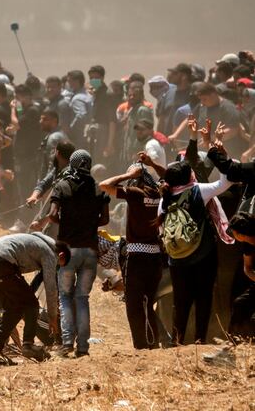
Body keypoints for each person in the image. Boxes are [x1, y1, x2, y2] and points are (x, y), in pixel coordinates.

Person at [157, 160, 234, 344]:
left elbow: (161, 232)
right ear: (188, 176)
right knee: (203, 298)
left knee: (181, 301)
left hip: (177, 261)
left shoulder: (164, 200)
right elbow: (225, 182)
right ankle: (199, 339)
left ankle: (177, 340)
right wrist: (221, 158)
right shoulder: (198, 190)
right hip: (203, 256)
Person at [99, 154, 166, 349]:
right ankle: (153, 343)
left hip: (136, 256)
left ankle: (141, 345)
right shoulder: (159, 193)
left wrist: (125, 175)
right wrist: (152, 164)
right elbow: (168, 176)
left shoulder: (136, 193)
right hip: (155, 256)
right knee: (148, 302)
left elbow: (104, 185)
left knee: (134, 305)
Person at [48, 150, 110, 357]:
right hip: (90, 251)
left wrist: (67, 223)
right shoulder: (97, 188)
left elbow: (52, 215)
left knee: (65, 296)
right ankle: (83, 346)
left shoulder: (62, 186)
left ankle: (67, 343)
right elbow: (104, 220)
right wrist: (88, 223)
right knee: (82, 298)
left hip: (67, 250)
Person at [0, 233, 69, 363]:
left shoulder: (37, 243)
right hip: (0, 262)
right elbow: (51, 287)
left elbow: (35, 281)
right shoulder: (50, 253)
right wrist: (53, 317)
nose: (56, 267)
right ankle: (28, 345)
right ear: (61, 255)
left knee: (15, 306)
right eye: (59, 265)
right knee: (31, 304)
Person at [226, 213, 255, 339]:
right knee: (239, 304)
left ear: (240, 234)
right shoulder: (248, 245)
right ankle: (232, 342)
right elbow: (247, 268)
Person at [118, 81, 155, 168]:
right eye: (129, 95)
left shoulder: (142, 110)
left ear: (141, 96)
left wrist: (137, 151)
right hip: (129, 152)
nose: (131, 97)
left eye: (134, 95)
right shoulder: (132, 110)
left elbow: (144, 133)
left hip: (137, 152)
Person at [88, 65, 119, 166]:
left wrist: (110, 143)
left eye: (96, 78)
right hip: (94, 132)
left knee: (99, 162)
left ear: (102, 78)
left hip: (103, 133)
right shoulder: (96, 93)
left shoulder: (107, 95)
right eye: (91, 78)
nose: (93, 81)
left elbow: (112, 121)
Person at [66, 70, 93, 148]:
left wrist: (70, 129)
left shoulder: (77, 98)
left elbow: (81, 115)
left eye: (69, 81)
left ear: (76, 81)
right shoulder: (87, 95)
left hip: (79, 136)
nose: (68, 84)